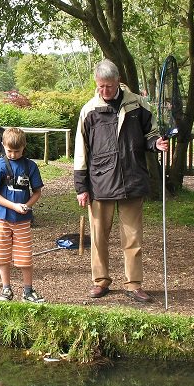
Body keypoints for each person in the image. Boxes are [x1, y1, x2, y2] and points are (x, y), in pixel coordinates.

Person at [74, 59, 169, 303]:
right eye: (100, 86)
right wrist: (81, 187)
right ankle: (100, 281)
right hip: (100, 182)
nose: (104, 91)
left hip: (132, 178)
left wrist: (155, 144)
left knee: (133, 237)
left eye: (108, 86)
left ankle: (134, 284)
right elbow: (81, 151)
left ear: (118, 82)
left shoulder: (138, 104)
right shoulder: (89, 111)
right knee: (98, 237)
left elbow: (151, 134)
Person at [0, 127, 45, 303]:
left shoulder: (30, 166)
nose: (12, 154)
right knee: (2, 255)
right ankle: (6, 290)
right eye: (9, 150)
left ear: (23, 148)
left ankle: (28, 291)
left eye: (17, 151)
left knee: (25, 256)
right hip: (0, 219)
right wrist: (13, 206)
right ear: (3, 146)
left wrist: (26, 206)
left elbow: (37, 192)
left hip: (22, 220)